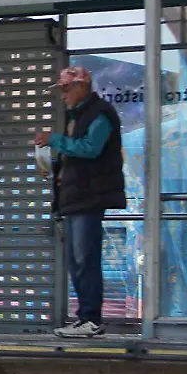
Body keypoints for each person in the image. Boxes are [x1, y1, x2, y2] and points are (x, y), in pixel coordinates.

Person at [34, 66, 127, 338]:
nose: (62, 95)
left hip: (90, 197)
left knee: (86, 258)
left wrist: (55, 140)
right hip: (74, 198)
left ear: (81, 86)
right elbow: (76, 155)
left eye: (65, 89)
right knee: (76, 261)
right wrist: (53, 166)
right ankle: (84, 316)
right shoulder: (76, 116)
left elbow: (90, 148)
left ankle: (91, 318)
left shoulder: (100, 114)